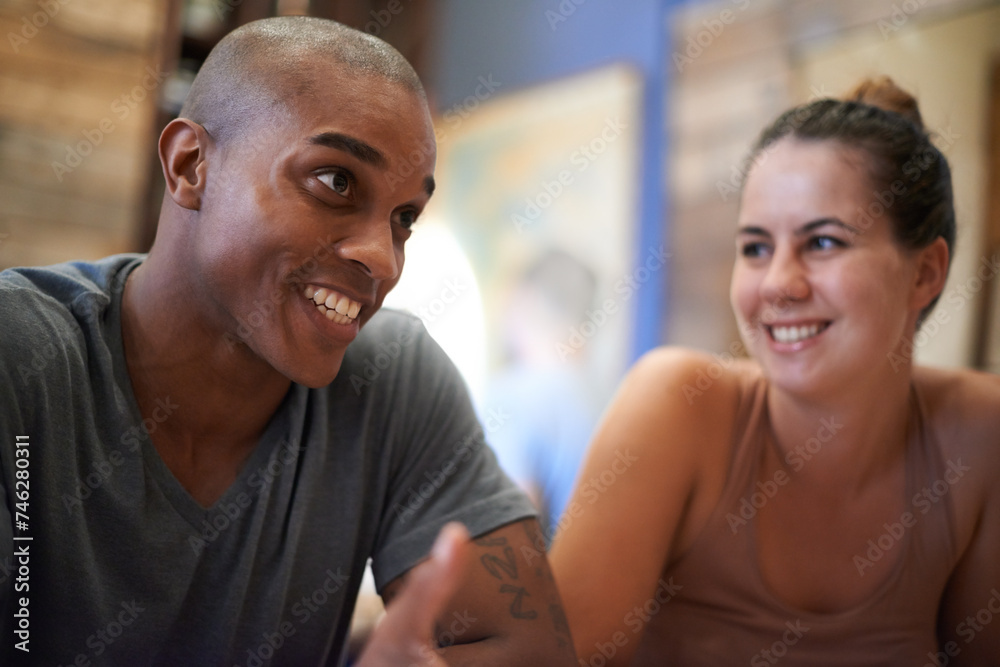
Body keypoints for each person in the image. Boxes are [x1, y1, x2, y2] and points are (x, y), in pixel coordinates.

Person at [0, 17, 576, 666]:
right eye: (336, 182)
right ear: (191, 165)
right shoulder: (19, 355)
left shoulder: (394, 374)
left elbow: (530, 651)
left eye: (404, 218)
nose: (382, 260)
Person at [551, 77, 1000, 665]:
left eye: (823, 242)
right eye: (756, 248)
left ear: (925, 273)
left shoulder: (979, 433)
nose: (778, 285)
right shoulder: (676, 404)